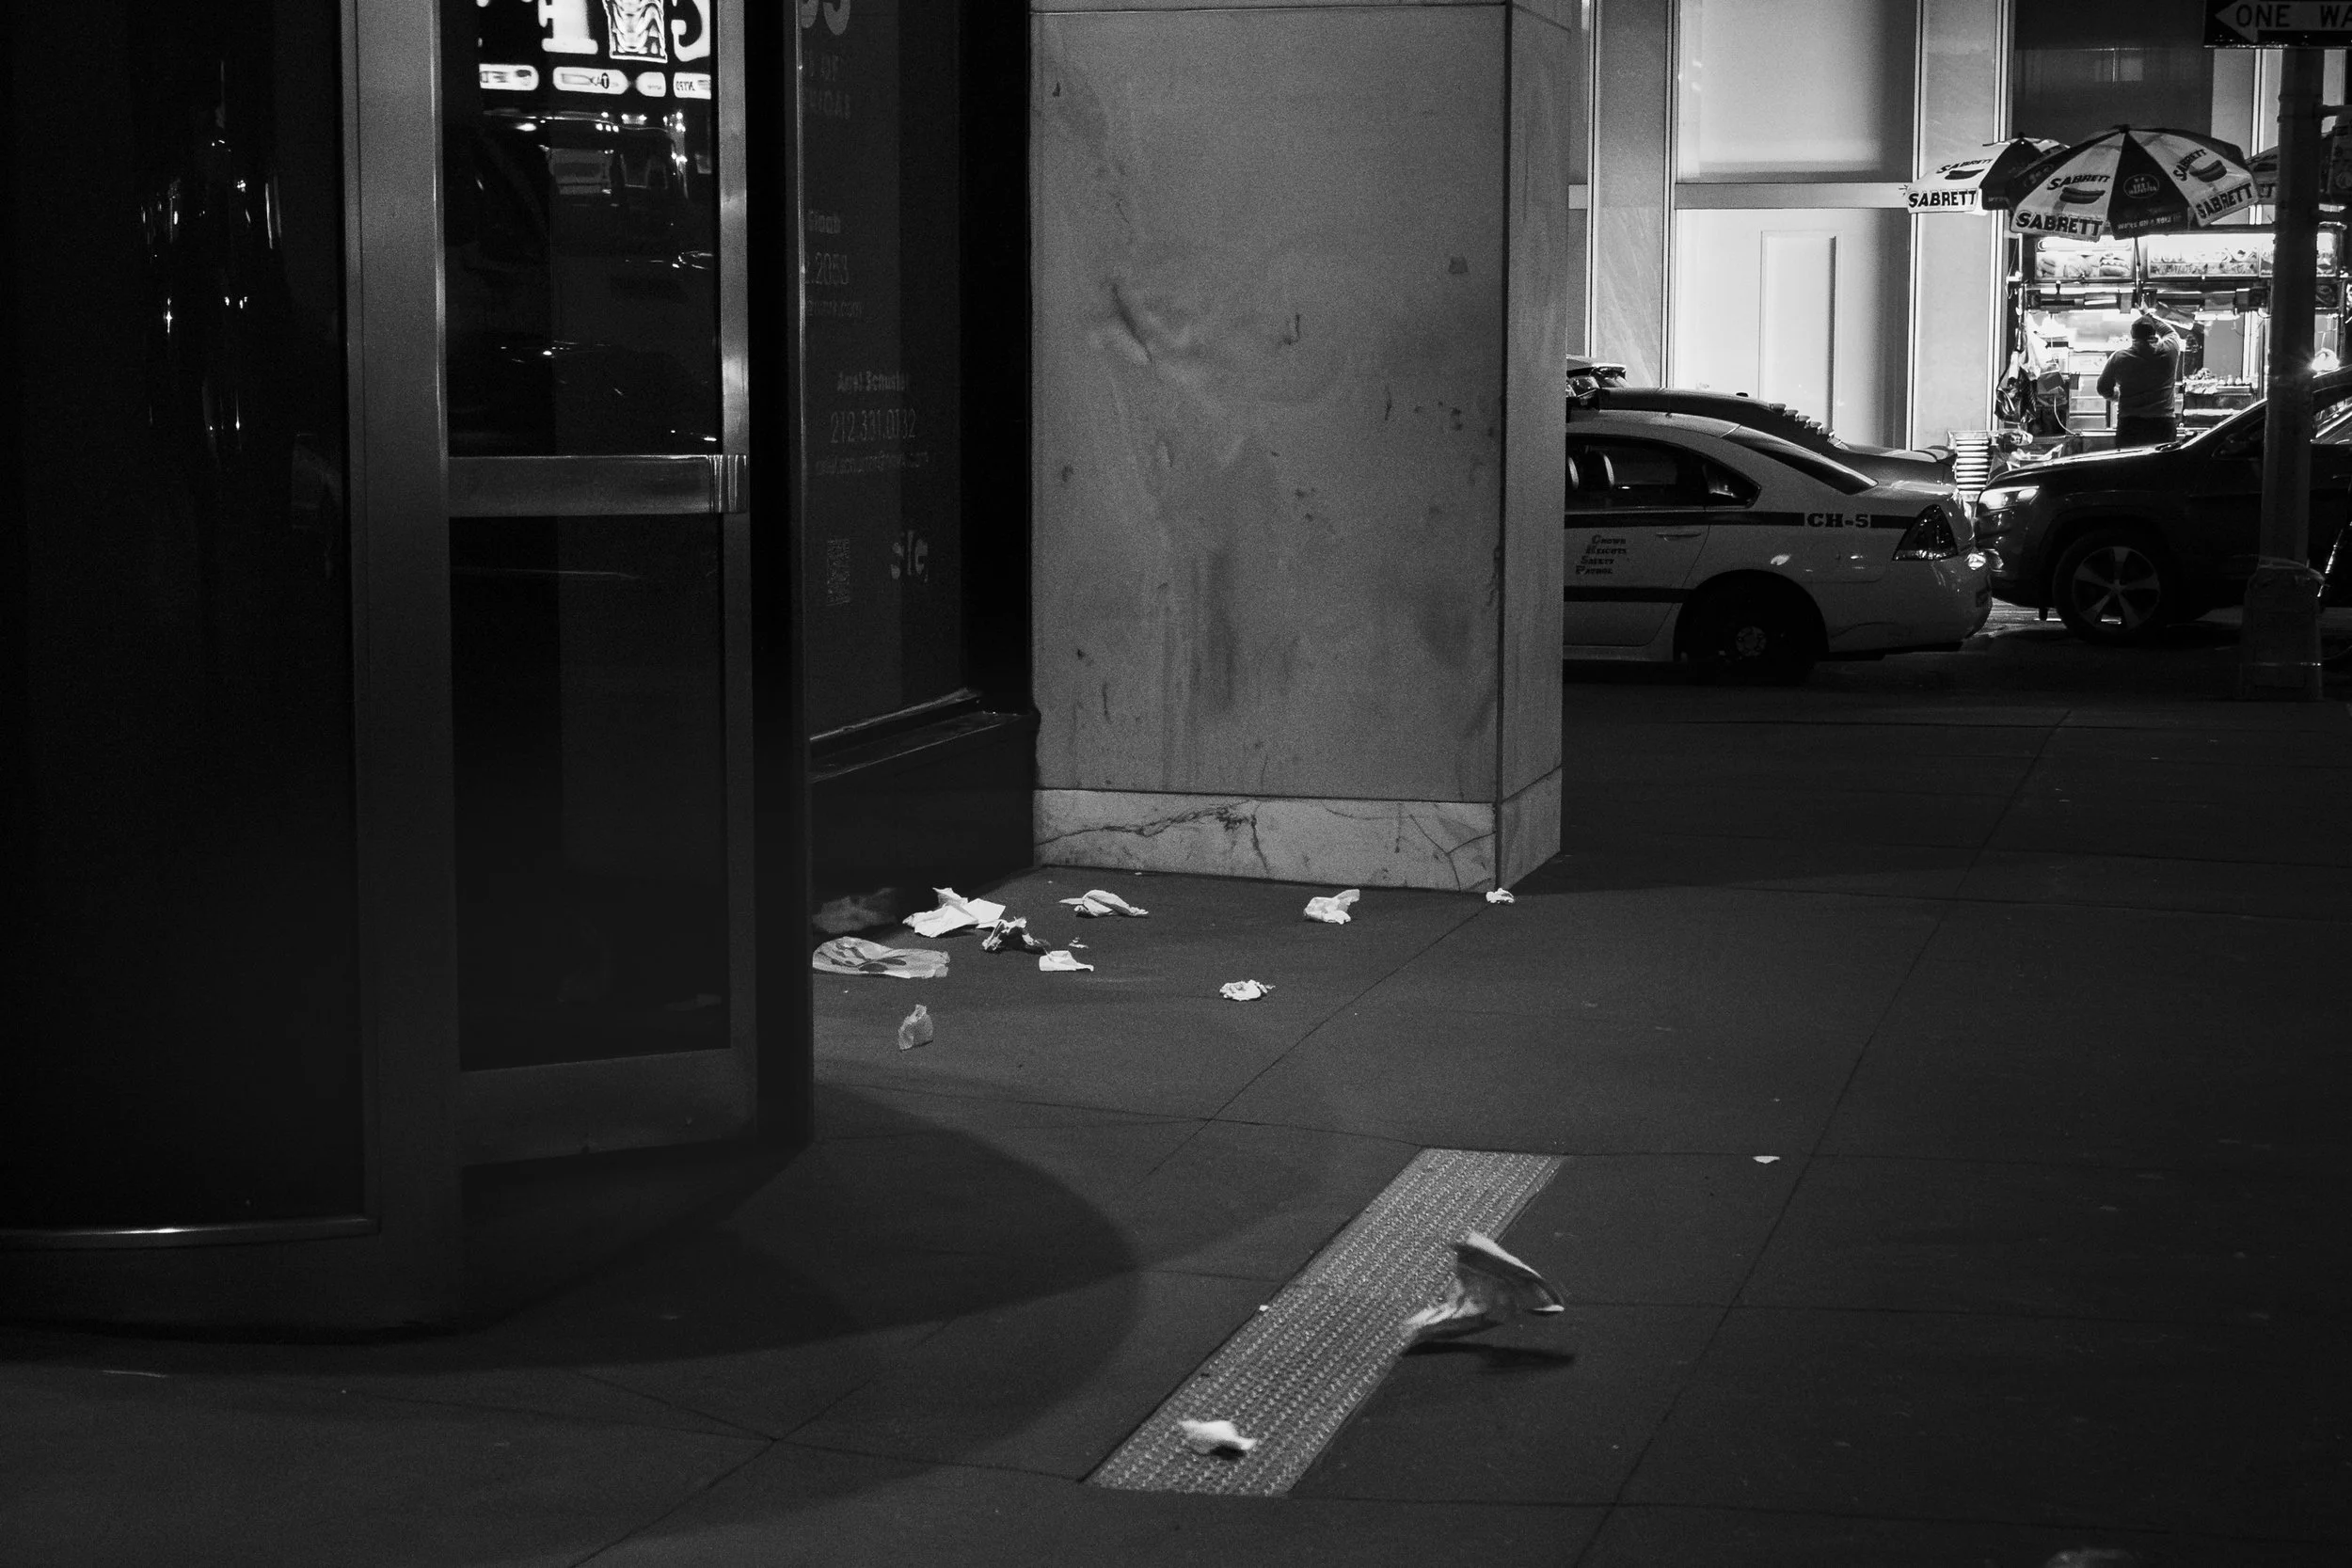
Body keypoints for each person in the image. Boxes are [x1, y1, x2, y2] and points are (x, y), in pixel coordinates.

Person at [2096, 314, 2182, 448]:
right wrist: (2149, 314)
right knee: (2161, 466)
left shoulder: (2119, 358)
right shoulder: (2171, 350)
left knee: (2130, 465)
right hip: (2163, 424)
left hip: (2131, 424)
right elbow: (2169, 331)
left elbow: (2102, 388)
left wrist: (2118, 396)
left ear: (2132, 335)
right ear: (2154, 333)